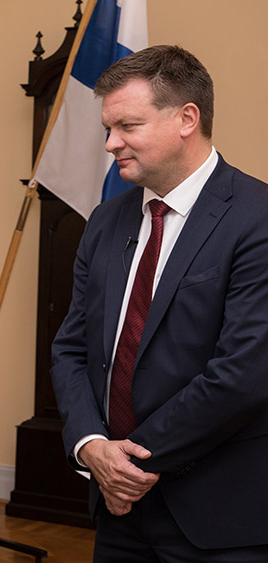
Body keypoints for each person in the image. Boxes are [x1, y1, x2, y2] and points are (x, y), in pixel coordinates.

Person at [51, 45, 268, 561]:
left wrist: (130, 463)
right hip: (118, 509)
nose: (111, 143)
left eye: (127, 126)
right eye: (108, 128)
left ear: (187, 119)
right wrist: (91, 446)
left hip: (218, 515)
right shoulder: (105, 221)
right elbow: (71, 349)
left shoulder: (256, 217)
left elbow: (242, 374)